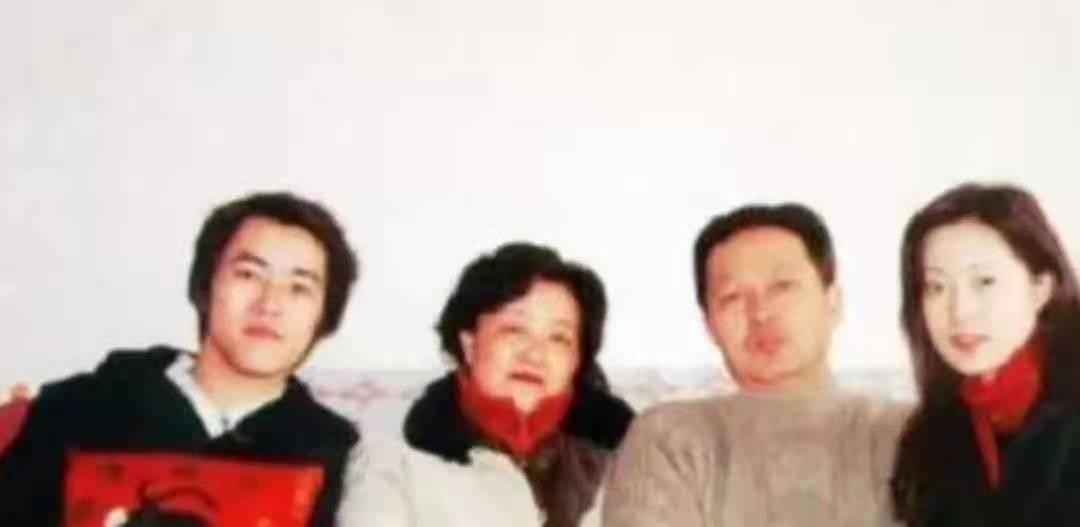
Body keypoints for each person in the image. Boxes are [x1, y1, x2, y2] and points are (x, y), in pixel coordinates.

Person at [0, 191, 360, 526]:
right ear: (204, 287)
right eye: (248, 274)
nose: (269, 304)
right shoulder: (77, 409)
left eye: (299, 288)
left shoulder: (333, 451)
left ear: (324, 319)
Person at [603, 203, 907, 527]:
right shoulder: (670, 439)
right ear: (710, 324)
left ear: (833, 302)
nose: (760, 312)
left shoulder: (907, 433)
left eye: (782, 286)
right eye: (732, 296)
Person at [338, 242, 634, 527]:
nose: (534, 354)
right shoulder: (395, 468)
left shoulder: (629, 468)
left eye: (558, 338)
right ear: (469, 345)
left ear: (576, 361)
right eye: (514, 330)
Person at [890, 183, 1080, 526]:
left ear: (1041, 288)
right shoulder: (931, 436)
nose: (959, 311)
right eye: (936, 287)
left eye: (984, 282)